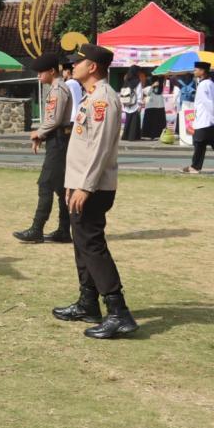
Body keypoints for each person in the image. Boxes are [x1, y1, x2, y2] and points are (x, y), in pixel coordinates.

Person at [52, 44, 137, 338]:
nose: (72, 65)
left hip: (94, 187)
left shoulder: (103, 100)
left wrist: (84, 186)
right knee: (82, 243)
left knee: (92, 244)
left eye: (79, 61)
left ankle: (118, 312)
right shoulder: (92, 98)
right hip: (81, 184)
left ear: (93, 67)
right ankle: (88, 302)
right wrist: (73, 184)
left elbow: (98, 149)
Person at [13, 54, 73, 244]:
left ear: (51, 71)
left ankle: (37, 229)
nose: (39, 76)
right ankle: (64, 230)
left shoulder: (58, 89)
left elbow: (53, 120)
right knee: (61, 187)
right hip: (58, 139)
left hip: (59, 140)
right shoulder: (57, 88)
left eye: (41, 72)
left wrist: (38, 133)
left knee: (46, 184)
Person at [183, 60, 213, 173]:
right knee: (200, 143)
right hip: (206, 120)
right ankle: (195, 167)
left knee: (199, 143)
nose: (194, 71)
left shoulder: (204, 85)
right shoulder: (208, 83)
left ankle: (195, 167)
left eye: (196, 70)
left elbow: (208, 103)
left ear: (202, 71)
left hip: (205, 120)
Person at [120, 66, 144, 141]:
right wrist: (140, 103)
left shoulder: (126, 80)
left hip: (126, 103)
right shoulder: (137, 81)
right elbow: (139, 93)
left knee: (128, 120)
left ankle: (125, 136)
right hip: (135, 104)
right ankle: (133, 137)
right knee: (134, 121)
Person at [141, 75, 166, 139]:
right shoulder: (148, 85)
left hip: (159, 105)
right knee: (151, 121)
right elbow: (146, 93)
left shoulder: (160, 85)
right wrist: (152, 86)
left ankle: (158, 135)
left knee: (158, 121)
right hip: (150, 105)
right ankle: (147, 135)